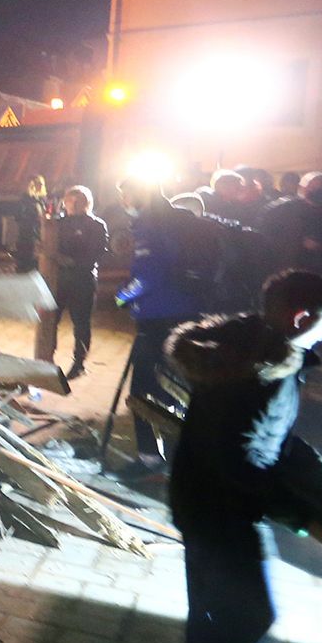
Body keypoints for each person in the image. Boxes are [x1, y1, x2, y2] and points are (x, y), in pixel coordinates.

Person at [162, 269, 322, 643]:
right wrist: (290, 506)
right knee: (255, 618)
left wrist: (304, 460)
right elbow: (239, 455)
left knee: (209, 607)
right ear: (300, 318)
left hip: (198, 499)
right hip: (221, 510)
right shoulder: (264, 371)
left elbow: (262, 432)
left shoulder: (246, 348)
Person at [114, 176, 231, 474]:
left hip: (158, 319)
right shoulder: (179, 220)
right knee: (177, 386)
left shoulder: (151, 224)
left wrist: (121, 297)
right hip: (188, 314)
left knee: (143, 390)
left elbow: (148, 276)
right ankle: (185, 454)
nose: (124, 202)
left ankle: (150, 459)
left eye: (126, 195)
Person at [34, 186, 107, 381]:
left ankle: (79, 363)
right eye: (69, 201)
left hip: (83, 281)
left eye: (77, 201)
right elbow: (47, 246)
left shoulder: (96, 226)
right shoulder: (57, 224)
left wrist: (65, 260)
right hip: (58, 280)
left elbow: (94, 255)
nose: (73, 205)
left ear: (87, 203)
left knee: (81, 323)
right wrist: (42, 247)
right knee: (50, 320)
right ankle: (46, 358)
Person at [10, 176, 48, 274]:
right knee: (27, 261)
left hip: (38, 234)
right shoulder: (25, 200)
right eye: (39, 184)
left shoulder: (41, 200)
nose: (41, 186)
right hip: (28, 236)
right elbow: (18, 217)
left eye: (42, 184)